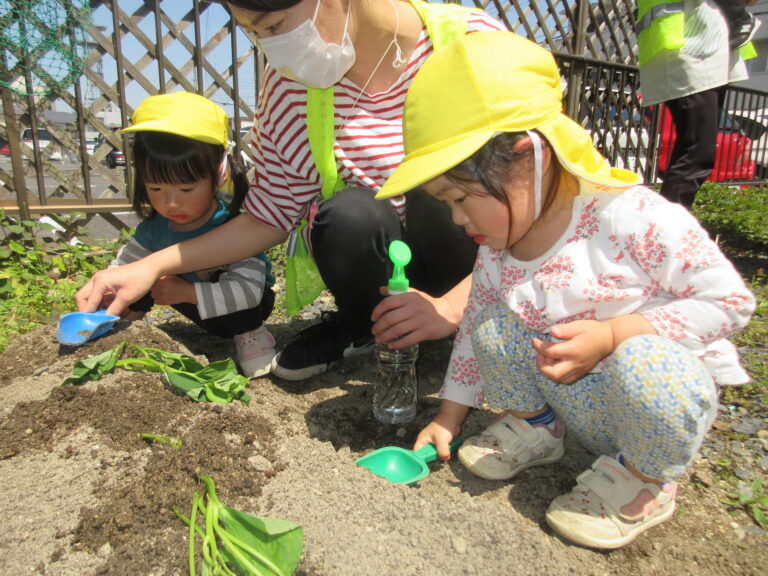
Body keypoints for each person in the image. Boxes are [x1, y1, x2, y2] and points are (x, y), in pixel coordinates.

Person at [376, 31, 755, 549]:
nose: (458, 219)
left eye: (460, 198)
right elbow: (470, 335)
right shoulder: (497, 249)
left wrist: (616, 334)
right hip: (567, 401)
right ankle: (538, 428)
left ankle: (644, 481)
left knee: (648, 361)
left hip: (641, 408)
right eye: (447, 205)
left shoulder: (631, 217)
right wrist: (448, 416)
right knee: (487, 322)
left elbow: (730, 302)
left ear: (529, 156)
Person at [76, 0, 505, 381]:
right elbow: (269, 215)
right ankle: (366, 327)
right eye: (254, 31)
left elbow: (533, 205)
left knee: (440, 184)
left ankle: (477, 322)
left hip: (477, 261)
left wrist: (450, 306)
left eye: (276, 25)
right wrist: (149, 267)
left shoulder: (472, 47)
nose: (271, 47)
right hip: (385, 271)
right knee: (349, 214)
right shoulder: (290, 86)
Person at [110, 91, 276, 377]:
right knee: (139, 274)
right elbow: (121, 270)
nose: (171, 202)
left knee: (231, 287)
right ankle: (121, 324)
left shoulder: (232, 227)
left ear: (219, 173)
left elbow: (248, 292)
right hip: (197, 307)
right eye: (156, 188)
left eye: (186, 189)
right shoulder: (153, 231)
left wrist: (186, 292)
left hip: (245, 308)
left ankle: (252, 335)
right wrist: (109, 293)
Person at [637, 0, 750, 209]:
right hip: (691, 51)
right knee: (697, 152)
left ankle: (664, 230)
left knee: (695, 150)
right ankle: (663, 232)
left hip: (702, 51)